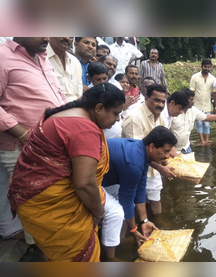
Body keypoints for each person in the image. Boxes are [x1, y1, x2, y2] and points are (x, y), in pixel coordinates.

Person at [8, 83, 125, 262]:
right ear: (99, 108)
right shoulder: (84, 128)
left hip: (36, 199)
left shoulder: (66, 115)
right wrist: (99, 213)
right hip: (51, 204)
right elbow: (85, 184)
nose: (118, 119)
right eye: (116, 113)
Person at [0, 37, 66, 243]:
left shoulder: (43, 59)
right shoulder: (3, 56)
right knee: (38, 211)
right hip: (23, 148)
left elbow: (58, 96)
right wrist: (23, 134)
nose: (46, 37)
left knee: (52, 208)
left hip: (50, 147)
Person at [102, 126, 177, 259]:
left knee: (125, 210)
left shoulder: (142, 151)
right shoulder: (134, 163)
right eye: (165, 151)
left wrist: (144, 221)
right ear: (152, 147)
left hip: (108, 177)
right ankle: (110, 258)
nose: (166, 156)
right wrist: (133, 229)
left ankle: (119, 242)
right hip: (91, 179)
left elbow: (140, 188)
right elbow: (127, 201)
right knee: (117, 213)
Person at [122, 84, 176, 215]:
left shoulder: (160, 117)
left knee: (155, 200)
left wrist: (166, 163)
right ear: (146, 98)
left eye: (163, 101)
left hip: (153, 168)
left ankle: (157, 228)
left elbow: (165, 145)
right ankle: (139, 227)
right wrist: (161, 168)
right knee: (134, 203)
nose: (161, 105)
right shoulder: (134, 118)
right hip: (134, 166)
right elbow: (136, 153)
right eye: (156, 100)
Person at [171, 88, 216, 154]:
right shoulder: (172, 113)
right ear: (184, 100)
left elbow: (206, 117)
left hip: (186, 148)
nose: (193, 102)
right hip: (172, 150)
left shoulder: (193, 110)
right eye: (191, 100)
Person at [190, 59, 216, 146]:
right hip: (196, 105)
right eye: (205, 66)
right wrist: (190, 104)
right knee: (199, 124)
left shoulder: (213, 79)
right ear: (201, 66)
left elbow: (214, 93)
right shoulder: (195, 77)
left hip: (207, 105)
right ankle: (202, 141)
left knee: (206, 124)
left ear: (211, 67)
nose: (207, 68)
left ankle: (207, 141)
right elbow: (192, 92)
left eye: (208, 67)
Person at [47, 37, 83, 101]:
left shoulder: (75, 62)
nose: (67, 38)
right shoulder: (40, 57)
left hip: (74, 107)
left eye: (71, 36)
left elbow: (79, 94)